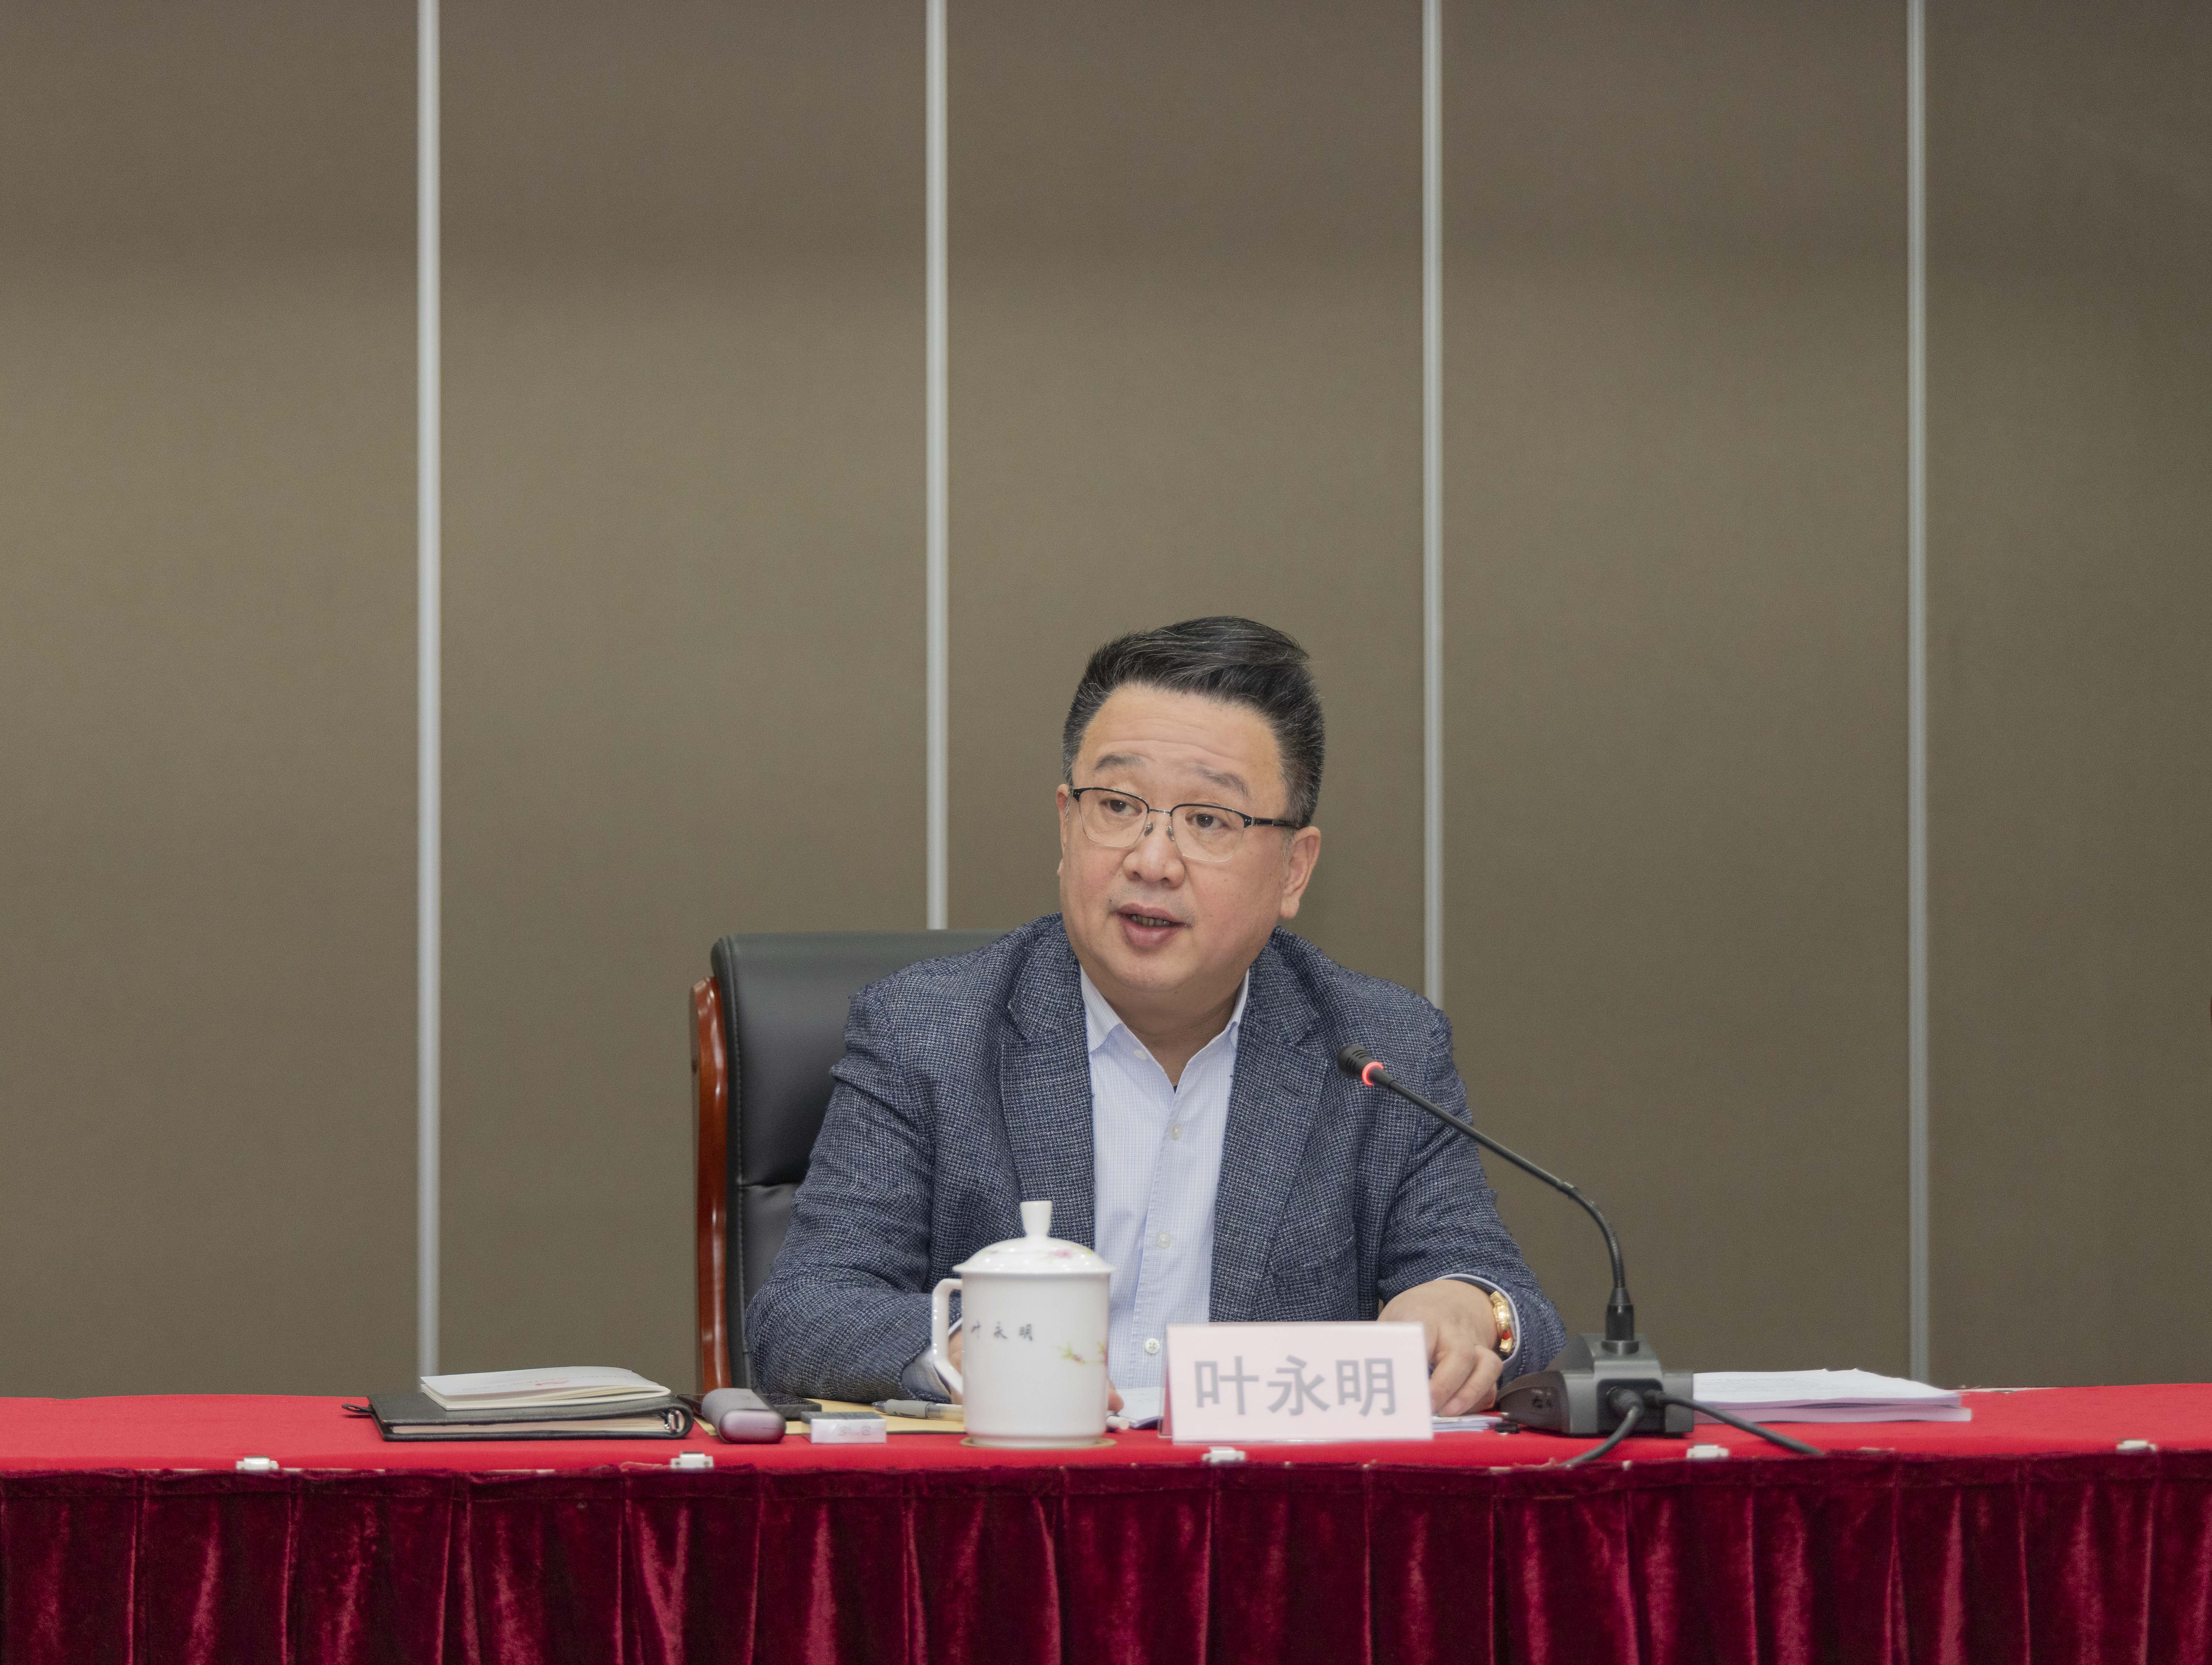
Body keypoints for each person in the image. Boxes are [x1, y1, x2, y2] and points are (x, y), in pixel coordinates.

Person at [747, 616, 1563, 1413]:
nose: (1151, 859)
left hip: (1261, 1500)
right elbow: (804, 1311)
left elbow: (1511, 1303)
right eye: (1117, 805)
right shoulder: (928, 1032)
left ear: (1293, 869)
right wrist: (974, 1346)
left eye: (1208, 820)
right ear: (1067, 824)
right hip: (1025, 1494)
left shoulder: (1379, 1050)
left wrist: (1470, 1309)